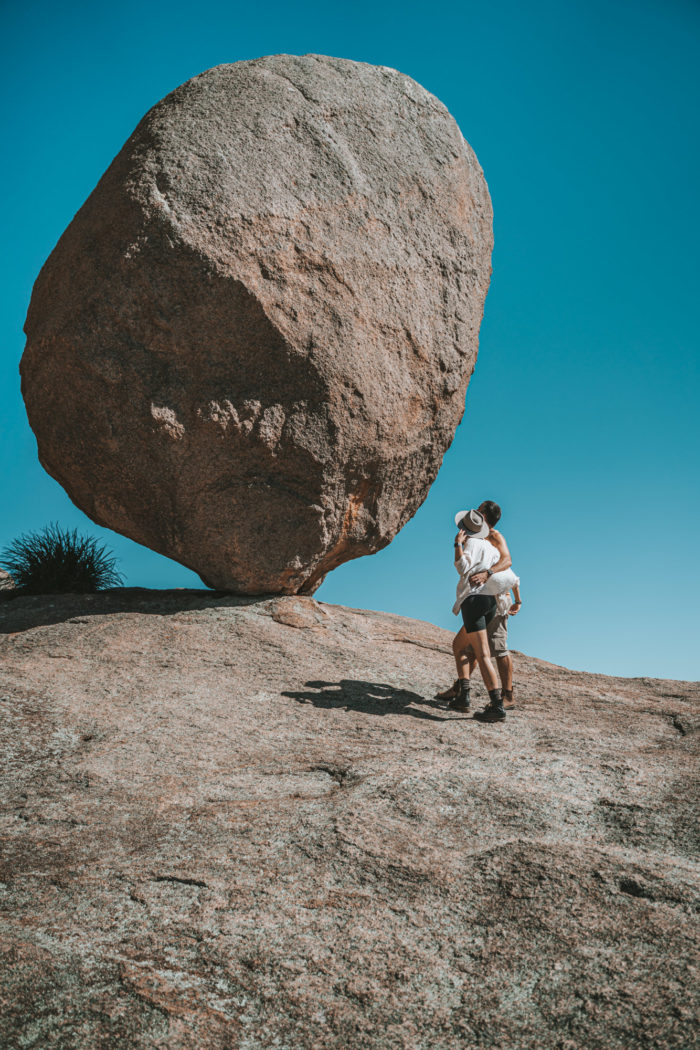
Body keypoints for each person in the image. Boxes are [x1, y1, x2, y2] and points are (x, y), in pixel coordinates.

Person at [437, 500, 522, 707]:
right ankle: (460, 688)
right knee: (469, 646)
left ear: (482, 515)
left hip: (496, 598)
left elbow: (508, 562)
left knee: (497, 648)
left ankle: (506, 696)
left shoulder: (494, 536)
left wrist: (487, 573)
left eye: (479, 507)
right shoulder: (477, 537)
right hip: (483, 596)